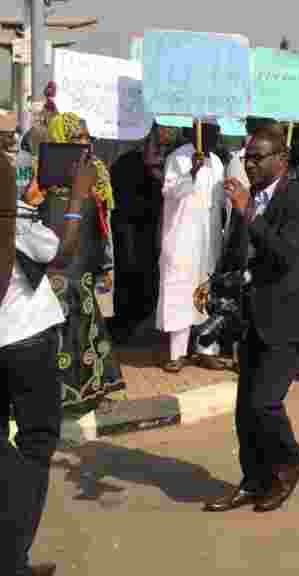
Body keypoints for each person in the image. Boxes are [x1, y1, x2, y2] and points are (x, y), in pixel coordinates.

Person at [203, 123, 299, 513]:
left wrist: (249, 214)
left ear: (281, 160)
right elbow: (237, 251)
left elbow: (287, 253)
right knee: (245, 412)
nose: (248, 164)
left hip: (288, 318)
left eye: (257, 157)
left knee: (265, 404)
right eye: (246, 157)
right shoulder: (248, 198)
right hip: (251, 316)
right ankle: (254, 481)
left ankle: (292, 462)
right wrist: (216, 281)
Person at [1, 148, 92, 576]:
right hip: (25, 341)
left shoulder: (15, 213)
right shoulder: (12, 218)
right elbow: (63, 250)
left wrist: (27, 202)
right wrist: (77, 196)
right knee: (36, 447)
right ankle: (12, 560)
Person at [36, 112, 125, 408]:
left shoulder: (96, 171)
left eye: (88, 138)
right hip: (54, 264)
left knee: (86, 328)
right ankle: (53, 399)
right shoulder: (43, 173)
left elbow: (102, 222)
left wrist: (106, 265)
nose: (85, 144)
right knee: (56, 331)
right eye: (77, 138)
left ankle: (92, 392)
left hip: (84, 263)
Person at [156, 124, 226, 373]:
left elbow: (218, 202)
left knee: (206, 294)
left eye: (217, 131)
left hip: (208, 239)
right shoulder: (178, 157)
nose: (216, 136)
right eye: (211, 131)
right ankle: (177, 354)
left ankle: (206, 350)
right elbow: (169, 192)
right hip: (182, 238)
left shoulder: (217, 162)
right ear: (197, 131)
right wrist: (191, 173)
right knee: (179, 293)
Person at [109, 124, 176, 341]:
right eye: (161, 134)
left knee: (147, 276)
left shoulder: (164, 164)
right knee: (128, 275)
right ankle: (125, 327)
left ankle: (141, 324)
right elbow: (121, 198)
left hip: (150, 231)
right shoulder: (127, 162)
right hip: (128, 230)